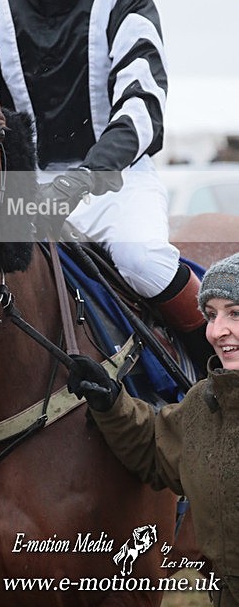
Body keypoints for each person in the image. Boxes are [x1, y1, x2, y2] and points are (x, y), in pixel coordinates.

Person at [0, 0, 210, 368]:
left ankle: (217, 369)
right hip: (33, 191)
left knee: (141, 259)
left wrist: (85, 178)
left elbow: (142, 107)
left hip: (115, 182)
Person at [66, 252, 239, 605]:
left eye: (234, 313)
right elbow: (154, 448)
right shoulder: (205, 405)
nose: (217, 330)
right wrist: (111, 402)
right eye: (210, 315)